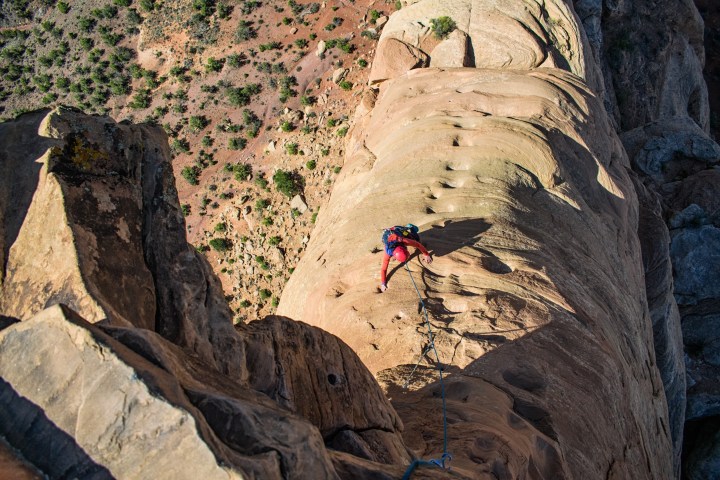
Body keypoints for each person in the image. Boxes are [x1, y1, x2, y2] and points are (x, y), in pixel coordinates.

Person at [379, 225, 432, 292]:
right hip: (388, 233)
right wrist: (383, 283)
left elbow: (418, 244)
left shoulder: (404, 240)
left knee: (416, 239)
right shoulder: (388, 252)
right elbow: (383, 269)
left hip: (398, 230)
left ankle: (411, 228)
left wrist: (426, 254)